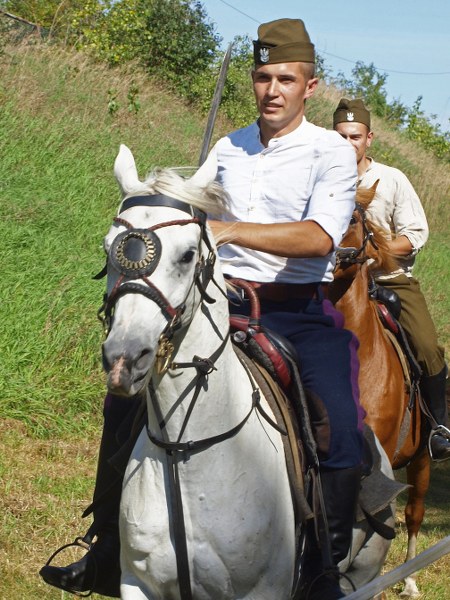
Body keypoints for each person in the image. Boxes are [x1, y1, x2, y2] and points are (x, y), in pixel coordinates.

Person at [41, 19, 365, 600]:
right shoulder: (227, 148)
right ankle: (107, 544)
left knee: (339, 425)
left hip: (295, 311)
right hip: (218, 303)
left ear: (310, 87)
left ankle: (325, 568)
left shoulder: (331, 152)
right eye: (263, 77)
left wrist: (227, 229)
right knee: (125, 398)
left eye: (286, 79)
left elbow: (320, 237)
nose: (272, 90)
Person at [333, 98, 450, 462]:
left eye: (354, 136)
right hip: (334, 281)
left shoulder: (392, 179)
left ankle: (438, 426)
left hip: (389, 279)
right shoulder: (319, 178)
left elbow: (415, 234)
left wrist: (373, 254)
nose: (347, 144)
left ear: (369, 138)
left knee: (427, 346)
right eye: (340, 136)